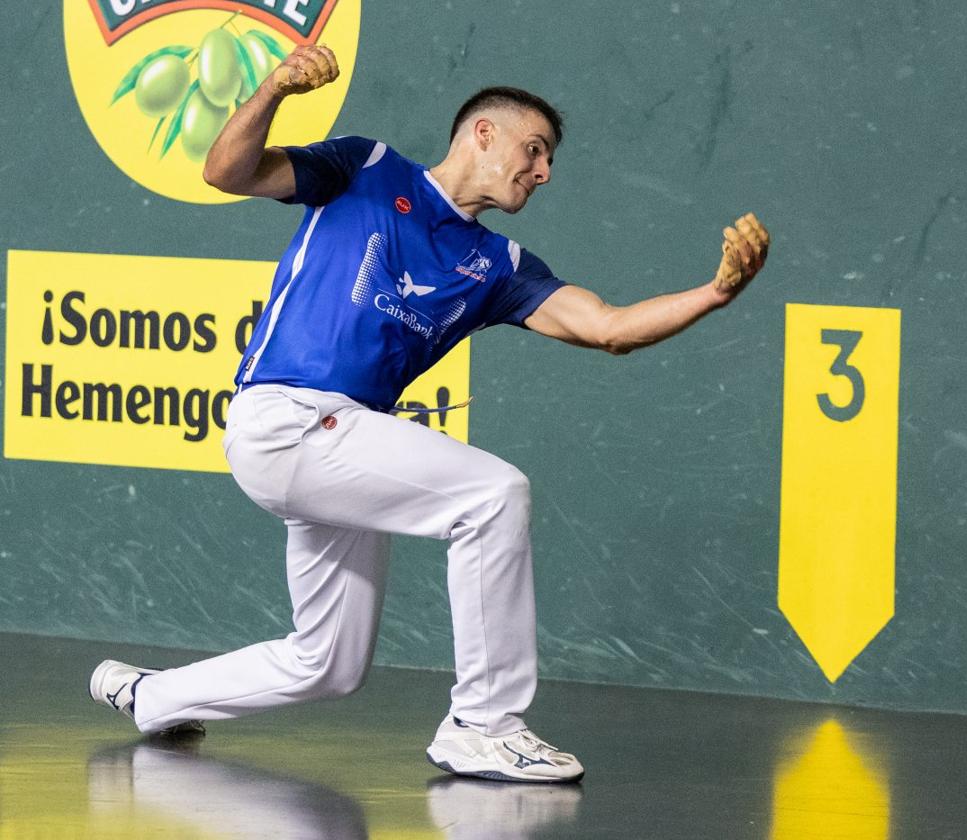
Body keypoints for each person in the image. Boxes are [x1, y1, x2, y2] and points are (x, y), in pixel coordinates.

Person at [89, 44, 769, 784]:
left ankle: (151, 696)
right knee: (493, 495)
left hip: (340, 446)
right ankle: (483, 725)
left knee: (329, 663)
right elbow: (225, 170)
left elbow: (607, 327)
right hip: (288, 420)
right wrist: (275, 88)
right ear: (482, 134)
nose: (544, 173)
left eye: (548, 161)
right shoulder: (366, 168)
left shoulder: (499, 267)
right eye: (534, 151)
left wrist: (716, 293)